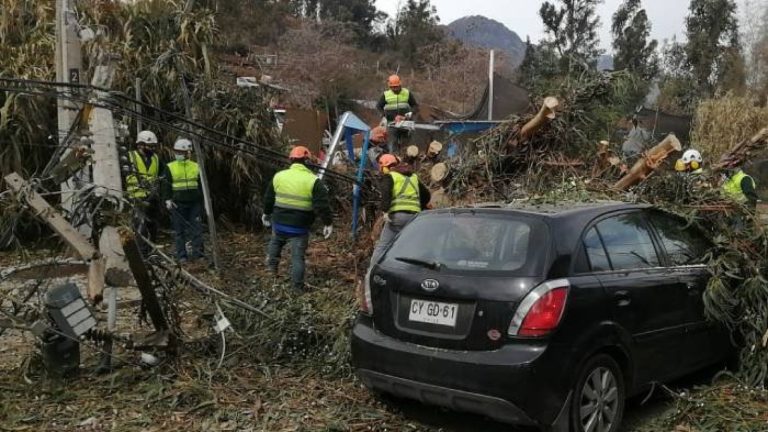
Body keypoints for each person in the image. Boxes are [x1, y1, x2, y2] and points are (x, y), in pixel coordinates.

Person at [262, 146, 333, 292]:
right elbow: (322, 206)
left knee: (275, 244)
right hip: (299, 227)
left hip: (279, 223)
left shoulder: (279, 176)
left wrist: (266, 213)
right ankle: (297, 288)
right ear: (307, 160)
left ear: (291, 160)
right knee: (297, 257)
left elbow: (268, 199)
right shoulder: (314, 181)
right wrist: (328, 223)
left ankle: (270, 271)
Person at [369, 154, 431, 267]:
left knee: (383, 246)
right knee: (411, 247)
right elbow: (426, 195)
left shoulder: (390, 176)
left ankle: (372, 272)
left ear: (385, 167)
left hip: (397, 217)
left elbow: (386, 193)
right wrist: (418, 207)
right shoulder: (413, 177)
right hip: (415, 218)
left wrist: (385, 211)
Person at [162, 138, 204, 263]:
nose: (179, 154)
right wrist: (167, 199)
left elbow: (201, 185)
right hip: (177, 203)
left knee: (196, 229)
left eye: (182, 152)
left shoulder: (196, 166)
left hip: (194, 203)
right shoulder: (170, 167)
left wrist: (202, 201)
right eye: (177, 152)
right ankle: (182, 256)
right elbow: (166, 185)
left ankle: (199, 254)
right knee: (179, 231)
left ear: (188, 153)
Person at [127, 130, 161, 254]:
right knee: (140, 226)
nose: (152, 149)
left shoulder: (155, 158)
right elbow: (126, 174)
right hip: (137, 196)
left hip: (152, 196)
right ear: (140, 144)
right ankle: (141, 252)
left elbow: (156, 176)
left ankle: (151, 251)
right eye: (149, 146)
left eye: (153, 146)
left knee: (153, 226)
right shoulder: (130, 156)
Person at [376, 74, 418, 153]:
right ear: (389, 86)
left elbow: (415, 106)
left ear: (400, 84)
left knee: (406, 145)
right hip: (392, 122)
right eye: (393, 87)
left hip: (405, 121)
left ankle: (406, 161)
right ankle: (394, 161)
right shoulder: (386, 95)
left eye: (396, 86)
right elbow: (378, 107)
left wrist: (408, 115)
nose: (395, 88)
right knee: (392, 143)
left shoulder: (407, 93)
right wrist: (386, 115)